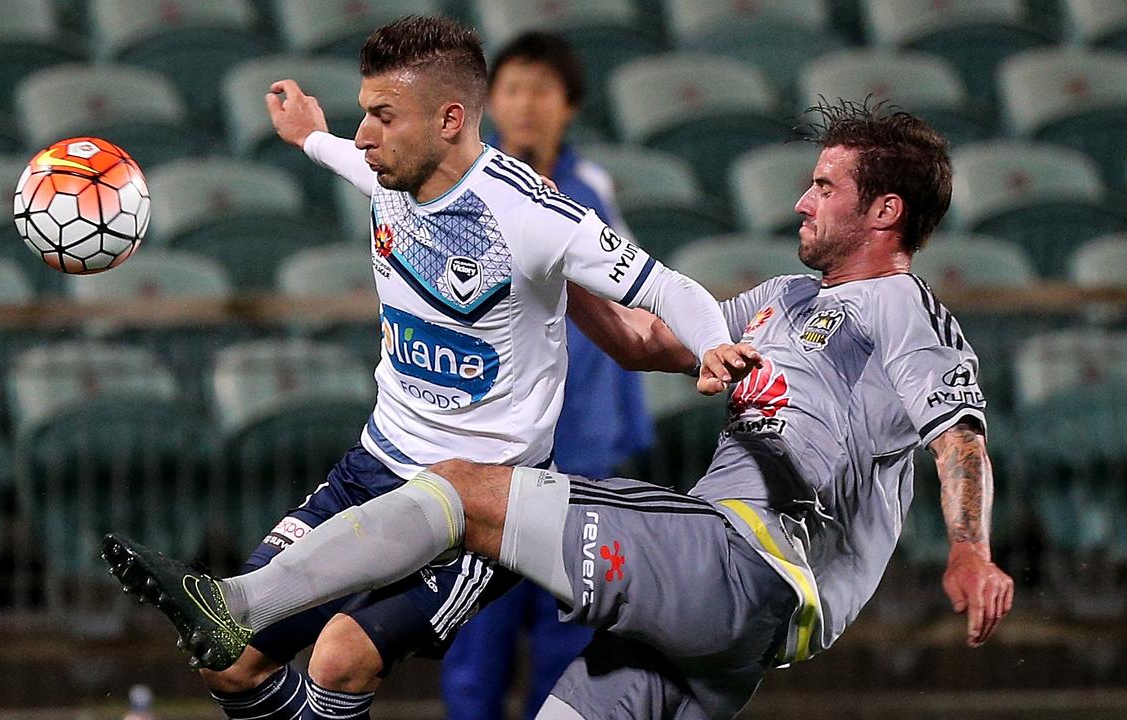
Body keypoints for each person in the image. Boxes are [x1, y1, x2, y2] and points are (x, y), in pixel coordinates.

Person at [106, 100, 1016, 719]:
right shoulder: (780, 299)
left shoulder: (905, 309)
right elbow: (637, 341)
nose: (800, 200)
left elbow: (959, 434)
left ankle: (237, 599)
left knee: (468, 490)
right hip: (731, 634)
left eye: (825, 186)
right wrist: (552, 261)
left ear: (885, 210)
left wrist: (970, 551)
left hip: (740, 560)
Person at [103, 15, 751, 720]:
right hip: (373, 469)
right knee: (231, 664)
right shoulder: (390, 175)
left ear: (448, 119)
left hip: (480, 501)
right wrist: (308, 135)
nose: (365, 136)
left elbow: (665, 286)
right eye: (362, 114)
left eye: (382, 116)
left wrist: (712, 340)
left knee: (339, 660)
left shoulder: (532, 214)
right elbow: (348, 158)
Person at [440, 31, 653, 720]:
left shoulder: (594, 192)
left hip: (582, 460)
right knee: (477, 641)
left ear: (570, 106)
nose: (525, 104)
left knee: (570, 649)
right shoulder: (458, 188)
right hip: (488, 460)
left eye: (541, 90)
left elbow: (627, 312)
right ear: (488, 101)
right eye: (512, 88)